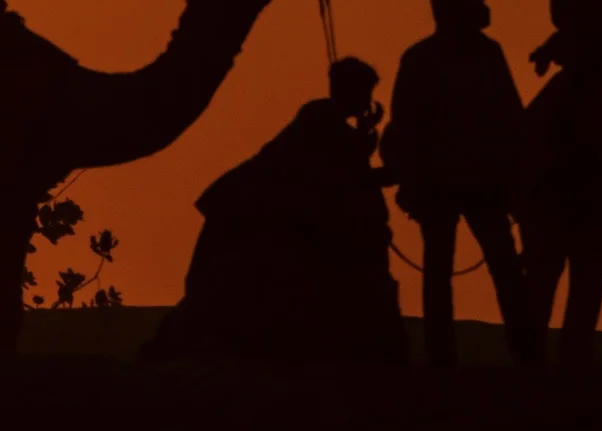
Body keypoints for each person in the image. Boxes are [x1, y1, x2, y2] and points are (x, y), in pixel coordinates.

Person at [150, 58, 408, 362]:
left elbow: (347, 169)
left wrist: (364, 136)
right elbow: (346, 168)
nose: (368, 100)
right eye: (364, 91)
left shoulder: (329, 122)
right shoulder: (320, 118)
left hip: (264, 211)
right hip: (252, 211)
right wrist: (369, 141)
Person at [383, 0, 532, 365]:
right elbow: (511, 121)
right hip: (461, 184)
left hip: (465, 183)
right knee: (489, 268)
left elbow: (510, 122)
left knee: (469, 270)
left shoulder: (429, 58)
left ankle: (458, 356)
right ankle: (510, 355)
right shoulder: (471, 56)